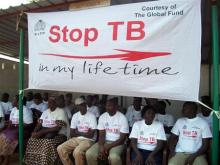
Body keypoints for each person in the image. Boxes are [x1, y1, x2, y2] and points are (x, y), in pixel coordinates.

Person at [24, 96, 68, 165]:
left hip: (59, 134)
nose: (49, 104)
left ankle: (44, 162)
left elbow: (57, 128)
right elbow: (39, 124)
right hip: (45, 131)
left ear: (55, 103)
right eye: (48, 102)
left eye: (51, 102)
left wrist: (41, 132)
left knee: (46, 142)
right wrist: (34, 132)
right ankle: (34, 161)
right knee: (31, 139)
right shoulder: (45, 112)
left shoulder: (61, 111)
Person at [86, 98, 129, 165]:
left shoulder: (122, 118)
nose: (107, 107)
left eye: (110, 105)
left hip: (118, 143)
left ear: (116, 107)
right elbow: (101, 135)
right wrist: (101, 147)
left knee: (114, 157)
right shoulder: (102, 117)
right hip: (104, 142)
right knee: (89, 153)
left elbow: (122, 139)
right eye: (106, 105)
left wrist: (108, 146)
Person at [57, 97, 97, 165]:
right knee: (60, 148)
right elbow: (72, 133)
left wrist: (78, 132)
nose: (82, 106)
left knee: (77, 152)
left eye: (82, 104)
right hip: (76, 139)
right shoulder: (75, 116)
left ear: (85, 104)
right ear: (77, 107)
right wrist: (83, 133)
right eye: (79, 105)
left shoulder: (92, 116)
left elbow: (91, 135)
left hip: (89, 140)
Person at [0, 95, 33, 165]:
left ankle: (7, 158)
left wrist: (16, 125)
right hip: (13, 128)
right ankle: (2, 155)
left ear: (18, 102)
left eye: (14, 100)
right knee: (2, 134)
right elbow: (11, 121)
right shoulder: (14, 109)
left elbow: (29, 124)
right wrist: (8, 123)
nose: (12, 101)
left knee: (9, 137)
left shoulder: (26, 110)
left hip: (23, 130)